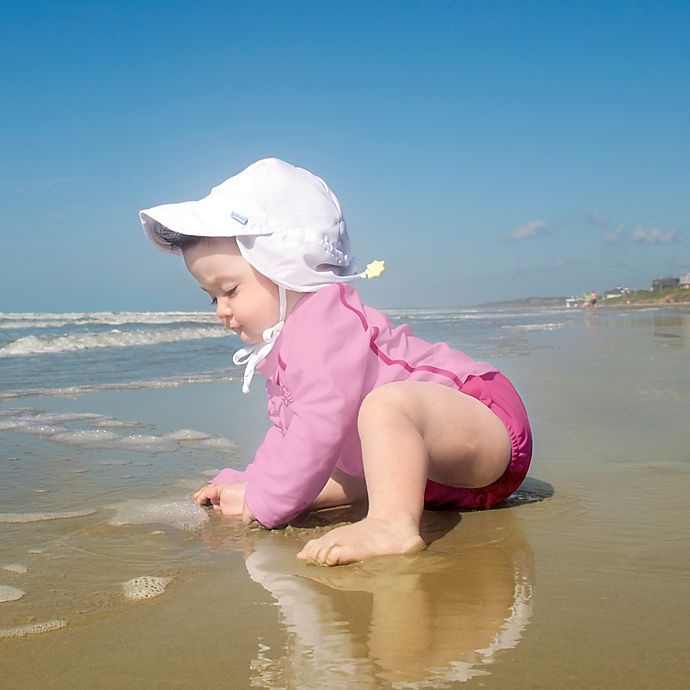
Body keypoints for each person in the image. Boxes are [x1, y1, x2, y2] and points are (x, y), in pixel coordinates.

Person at [139, 158, 532, 566]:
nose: (221, 310)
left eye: (230, 290)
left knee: (383, 407)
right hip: (430, 476)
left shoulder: (326, 318)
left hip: (483, 425)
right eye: (212, 297)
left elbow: (316, 427)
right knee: (342, 450)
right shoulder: (285, 343)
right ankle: (377, 501)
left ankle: (391, 525)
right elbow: (290, 432)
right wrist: (256, 480)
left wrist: (268, 502)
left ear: (285, 263)